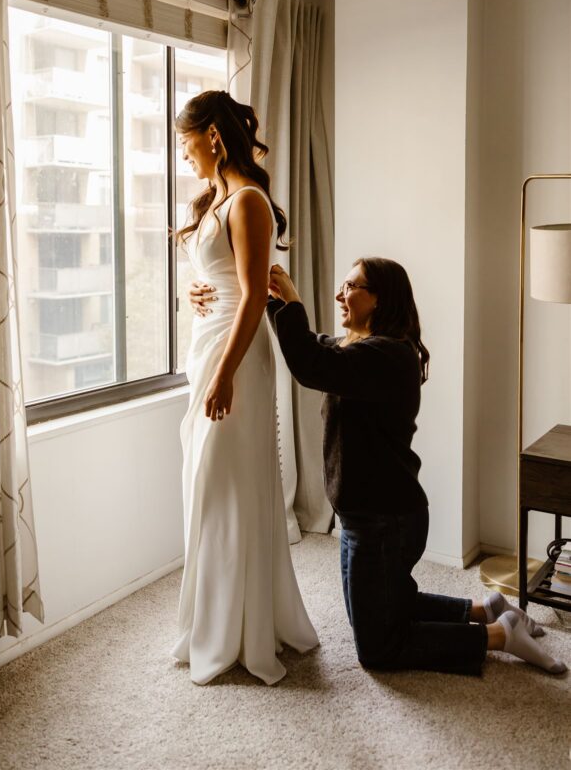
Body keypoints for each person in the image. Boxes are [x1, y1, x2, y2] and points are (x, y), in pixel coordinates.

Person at [260, 256, 567, 676]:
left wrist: (291, 298)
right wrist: (271, 300)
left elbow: (310, 365)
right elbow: (312, 347)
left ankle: (499, 634)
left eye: (352, 287)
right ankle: (487, 608)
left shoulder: (387, 355)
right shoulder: (357, 348)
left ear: (380, 299)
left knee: (379, 649)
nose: (340, 294)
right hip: (363, 517)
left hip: (386, 520)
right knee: (388, 608)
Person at [172, 89, 318, 685]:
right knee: (206, 486)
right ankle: (215, 620)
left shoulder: (250, 201)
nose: (183, 156)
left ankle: (246, 629)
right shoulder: (212, 199)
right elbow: (211, 274)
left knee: (232, 483)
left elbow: (255, 294)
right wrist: (188, 293)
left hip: (238, 357)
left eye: (186, 143)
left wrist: (227, 374)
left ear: (211, 135)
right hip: (210, 346)